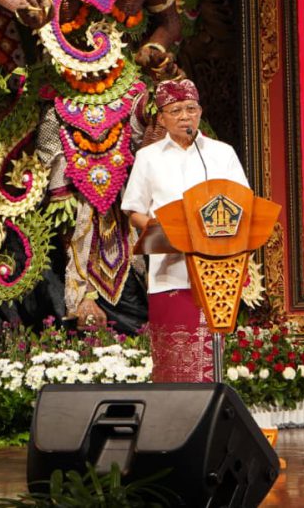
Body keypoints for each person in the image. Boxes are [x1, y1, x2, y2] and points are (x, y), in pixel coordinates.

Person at [120, 78, 249, 382]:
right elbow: (133, 211)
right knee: (174, 364)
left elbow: (244, 205)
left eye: (191, 109)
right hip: (170, 273)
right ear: (162, 118)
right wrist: (161, 230)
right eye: (175, 111)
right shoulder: (148, 157)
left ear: (200, 112)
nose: (184, 117)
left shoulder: (221, 153)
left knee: (210, 361)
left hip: (218, 274)